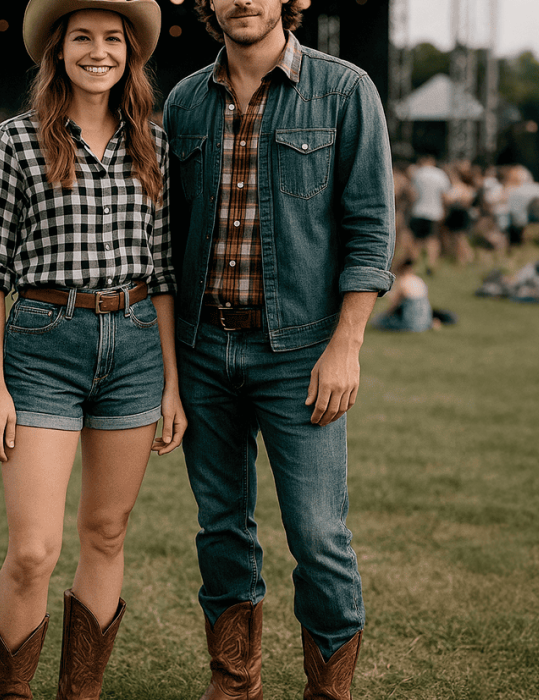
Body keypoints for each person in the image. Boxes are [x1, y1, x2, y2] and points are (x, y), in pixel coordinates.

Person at [165, 1, 395, 697]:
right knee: (221, 531)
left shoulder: (345, 90)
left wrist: (345, 345)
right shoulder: (183, 102)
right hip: (204, 352)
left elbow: (371, 227)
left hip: (301, 356)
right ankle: (234, 683)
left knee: (319, 537)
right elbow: (166, 244)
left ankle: (329, 691)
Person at [0, 1, 184, 698]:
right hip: (43, 346)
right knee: (33, 551)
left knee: (106, 533)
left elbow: (166, 273)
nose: (99, 52)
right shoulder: (14, 141)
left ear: (131, 54)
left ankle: (80, 692)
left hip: (136, 350)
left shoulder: (153, 143)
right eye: (82, 38)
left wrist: (172, 385)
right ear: (57, 52)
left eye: (113, 40)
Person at [407, 152, 452, 274]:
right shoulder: (440, 174)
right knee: (432, 240)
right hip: (434, 212)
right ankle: (431, 265)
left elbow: (412, 194)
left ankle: (411, 265)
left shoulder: (418, 173)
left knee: (417, 240)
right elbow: (445, 196)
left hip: (418, 210)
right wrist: (444, 210)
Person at [372, 256, 435, 332]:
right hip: (425, 322)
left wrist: (385, 315)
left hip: (409, 323)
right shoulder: (419, 280)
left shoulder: (402, 282)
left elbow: (394, 305)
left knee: (378, 321)